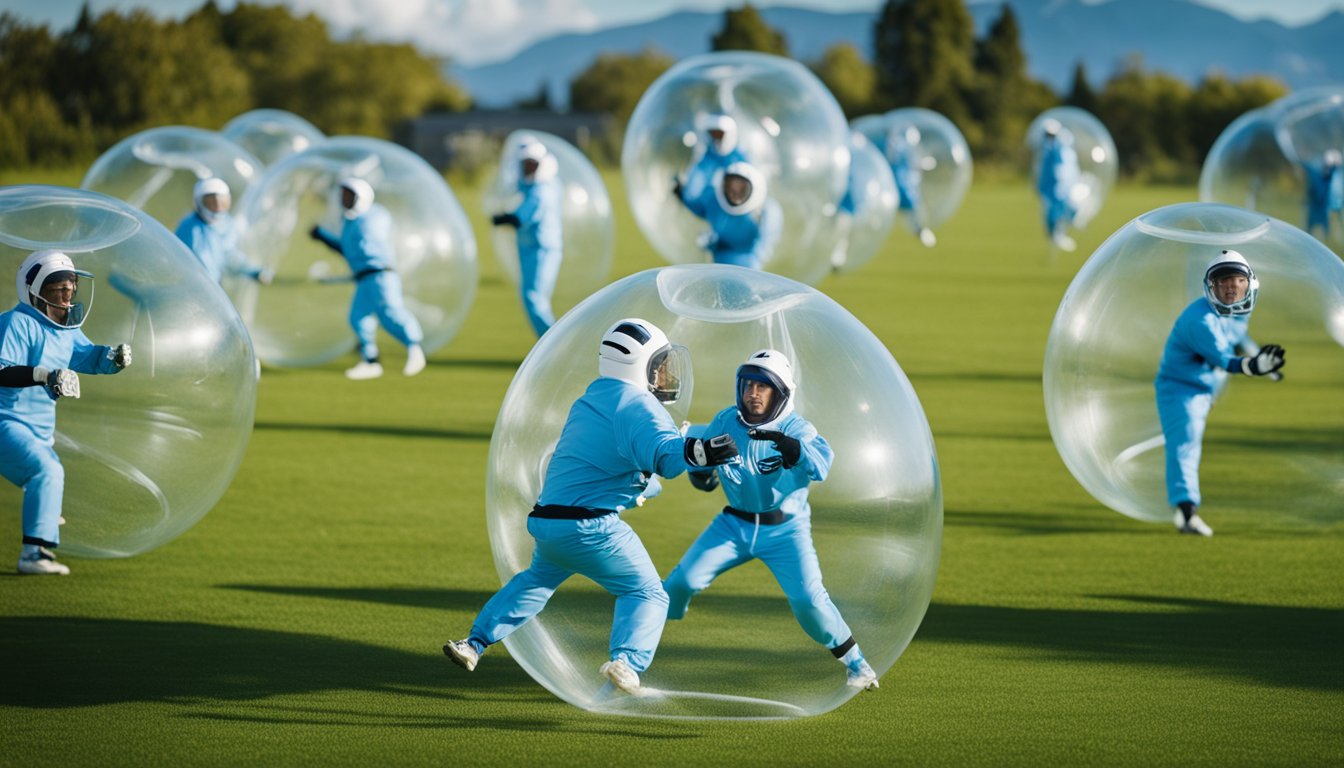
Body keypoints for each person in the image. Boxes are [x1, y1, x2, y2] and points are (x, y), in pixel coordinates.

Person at [442, 319, 740, 694]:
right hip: (593, 528)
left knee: (535, 582)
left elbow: (622, 465)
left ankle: (474, 643)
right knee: (647, 593)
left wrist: (675, 462)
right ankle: (627, 662)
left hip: (549, 522)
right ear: (640, 367)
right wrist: (702, 452)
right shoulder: (638, 406)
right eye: (659, 366)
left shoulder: (592, 400)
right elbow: (666, 457)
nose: (665, 375)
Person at [663, 349, 879, 691]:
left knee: (810, 601)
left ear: (781, 393)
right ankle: (637, 650)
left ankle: (857, 665)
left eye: (763, 387)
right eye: (748, 384)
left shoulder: (797, 428)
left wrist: (795, 450)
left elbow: (821, 465)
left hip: (786, 531)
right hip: (733, 525)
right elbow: (698, 453)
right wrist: (700, 472)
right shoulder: (726, 420)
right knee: (678, 585)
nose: (753, 393)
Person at [0, 250, 131, 575]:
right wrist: (45, 375)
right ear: (35, 291)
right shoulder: (17, 323)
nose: (67, 297)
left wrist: (112, 357)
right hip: (5, 420)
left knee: (48, 473)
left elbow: (86, 356)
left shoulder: (66, 330)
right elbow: (2, 370)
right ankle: (33, 555)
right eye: (58, 289)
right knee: (46, 471)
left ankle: (42, 523)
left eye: (70, 289)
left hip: (39, 429)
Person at [1155, 250, 1285, 536]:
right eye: (1223, 281)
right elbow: (1226, 361)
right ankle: (1187, 512)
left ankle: (1184, 510)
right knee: (1186, 443)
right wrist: (1256, 365)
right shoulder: (1200, 322)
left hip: (1204, 388)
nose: (1231, 287)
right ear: (1211, 286)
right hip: (1182, 389)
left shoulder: (1233, 311)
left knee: (1190, 443)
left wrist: (1260, 358)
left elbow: (1237, 335)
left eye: (1238, 281)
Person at [309, 177, 426, 380]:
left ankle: (415, 349)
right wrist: (324, 237)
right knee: (358, 317)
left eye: (348, 195)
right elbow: (348, 250)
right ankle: (371, 361)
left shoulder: (373, 218)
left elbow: (362, 247)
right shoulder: (350, 223)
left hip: (380, 275)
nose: (343, 199)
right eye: (342, 195)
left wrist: (327, 238)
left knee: (391, 313)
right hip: (365, 278)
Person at [491, 138, 563, 337]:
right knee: (535, 298)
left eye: (531, 163)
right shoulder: (533, 187)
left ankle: (552, 341)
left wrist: (500, 218)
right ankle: (550, 341)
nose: (527, 168)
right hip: (531, 248)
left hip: (541, 249)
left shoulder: (542, 190)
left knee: (534, 298)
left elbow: (520, 217)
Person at [675, 161, 781, 270]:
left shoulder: (764, 212)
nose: (734, 194)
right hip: (720, 251)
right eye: (730, 187)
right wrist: (683, 196)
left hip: (746, 258)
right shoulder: (714, 199)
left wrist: (751, 266)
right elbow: (701, 209)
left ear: (755, 190)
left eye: (742, 190)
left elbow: (764, 245)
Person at [175, 177, 272, 285]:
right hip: (193, 286)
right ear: (199, 202)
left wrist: (254, 271)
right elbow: (197, 261)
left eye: (223, 203)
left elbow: (229, 254)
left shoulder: (226, 224)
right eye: (211, 203)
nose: (217, 208)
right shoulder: (190, 227)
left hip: (212, 287)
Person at [675, 113, 749, 207]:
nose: (715, 137)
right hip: (696, 200)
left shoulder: (738, 157)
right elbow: (697, 172)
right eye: (713, 133)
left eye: (719, 134)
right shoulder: (710, 151)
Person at [884, 125, 937, 248]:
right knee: (913, 209)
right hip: (902, 187)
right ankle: (920, 230)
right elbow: (917, 163)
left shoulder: (897, 148)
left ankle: (920, 230)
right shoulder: (903, 149)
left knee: (912, 211)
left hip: (896, 187)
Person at [1036, 119, 1081, 252]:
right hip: (1051, 188)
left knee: (1061, 211)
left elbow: (1063, 170)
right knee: (1052, 214)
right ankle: (1056, 236)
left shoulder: (1059, 149)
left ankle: (1059, 235)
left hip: (1060, 187)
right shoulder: (1047, 150)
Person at [1304, 148, 1343, 241]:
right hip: (1317, 204)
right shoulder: (1317, 173)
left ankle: (1329, 237)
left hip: (1329, 203)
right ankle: (1310, 238)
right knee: (1312, 225)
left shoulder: (1333, 175)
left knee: (1326, 223)